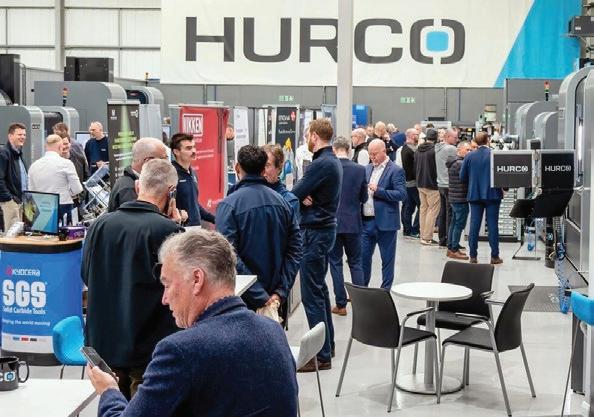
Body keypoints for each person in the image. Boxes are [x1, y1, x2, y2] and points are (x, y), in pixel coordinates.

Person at [87, 229, 298, 417]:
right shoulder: (272, 330)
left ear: (197, 279)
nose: (164, 299)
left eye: (167, 284)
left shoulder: (181, 351)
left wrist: (109, 391)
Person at [82, 159, 183, 399]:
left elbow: (86, 274)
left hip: (104, 344)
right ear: (171, 192)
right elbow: (178, 289)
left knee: (111, 405)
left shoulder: (99, 225)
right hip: (148, 347)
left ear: (138, 186)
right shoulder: (168, 231)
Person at [216, 145, 302, 315]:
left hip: (242, 302)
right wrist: (280, 292)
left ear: (237, 168)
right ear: (263, 170)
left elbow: (227, 255)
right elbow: (295, 250)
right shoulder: (283, 204)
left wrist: (260, 295)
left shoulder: (228, 206)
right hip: (275, 301)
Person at [292, 118, 342, 372]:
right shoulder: (331, 161)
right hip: (323, 231)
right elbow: (301, 194)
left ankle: (320, 356)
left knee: (311, 295)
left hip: (315, 232)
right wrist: (302, 196)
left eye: (307, 135)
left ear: (314, 136)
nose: (306, 140)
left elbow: (294, 194)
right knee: (320, 291)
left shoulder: (320, 164)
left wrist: (300, 196)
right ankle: (327, 346)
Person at [328, 136, 368, 316]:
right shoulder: (360, 169)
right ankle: (362, 304)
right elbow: (364, 198)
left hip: (333, 222)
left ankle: (341, 304)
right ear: (349, 150)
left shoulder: (329, 168)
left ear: (334, 150)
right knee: (356, 262)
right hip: (353, 222)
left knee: (335, 263)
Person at [361, 139, 407, 289]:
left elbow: (401, 194)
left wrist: (379, 191)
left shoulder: (395, 170)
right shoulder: (367, 169)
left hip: (386, 223)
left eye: (375, 154)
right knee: (363, 259)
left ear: (384, 151)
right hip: (366, 222)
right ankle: (362, 289)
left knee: (387, 260)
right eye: (370, 154)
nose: (372, 157)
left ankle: (385, 291)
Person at [460, 132, 504, 265]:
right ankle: (494, 256)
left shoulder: (469, 156)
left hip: (475, 194)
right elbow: (502, 175)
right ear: (488, 140)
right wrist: (505, 188)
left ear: (476, 142)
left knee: (474, 225)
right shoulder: (495, 155)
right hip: (493, 195)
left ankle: (473, 256)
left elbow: (462, 177)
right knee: (493, 225)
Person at [28, 134, 83, 223]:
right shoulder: (66, 164)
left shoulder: (34, 166)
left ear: (46, 147)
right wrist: (67, 192)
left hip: (41, 207)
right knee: (64, 231)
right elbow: (77, 189)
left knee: (44, 231)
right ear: (60, 147)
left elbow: (31, 191)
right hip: (63, 206)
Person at [108, 137, 169, 212]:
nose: (167, 163)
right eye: (163, 159)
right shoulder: (129, 189)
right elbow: (138, 218)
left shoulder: (135, 182)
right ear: (148, 161)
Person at [170, 133, 216, 227]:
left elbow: (194, 204)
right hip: (180, 230)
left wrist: (215, 219)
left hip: (195, 228)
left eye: (194, 147)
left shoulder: (192, 172)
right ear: (176, 151)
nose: (194, 151)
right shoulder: (170, 173)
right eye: (188, 148)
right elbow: (163, 206)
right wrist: (179, 213)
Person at [446, 141, 472, 260]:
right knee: (459, 224)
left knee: (454, 223)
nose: (469, 152)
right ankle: (454, 249)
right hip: (460, 198)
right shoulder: (460, 164)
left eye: (470, 150)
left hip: (454, 197)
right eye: (467, 150)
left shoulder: (453, 162)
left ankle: (451, 247)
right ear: (459, 150)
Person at [415, 128, 440, 245]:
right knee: (432, 210)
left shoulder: (418, 149)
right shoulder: (435, 150)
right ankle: (427, 237)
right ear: (436, 138)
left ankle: (422, 235)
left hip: (420, 183)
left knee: (423, 209)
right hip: (432, 184)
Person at [0, 123, 28, 230]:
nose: (22, 137)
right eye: (19, 134)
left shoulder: (18, 153)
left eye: (24, 135)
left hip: (20, 200)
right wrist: (9, 198)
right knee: (12, 233)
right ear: (10, 136)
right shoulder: (4, 153)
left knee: (18, 233)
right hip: (11, 202)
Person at [435, 128, 458, 247]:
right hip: (449, 184)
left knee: (443, 212)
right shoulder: (451, 149)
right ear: (448, 137)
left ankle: (442, 238)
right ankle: (450, 240)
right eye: (455, 137)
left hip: (440, 184)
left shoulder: (438, 147)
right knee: (450, 214)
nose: (457, 139)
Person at [262, 144, 299, 216]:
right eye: (260, 165)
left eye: (267, 165)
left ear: (279, 167)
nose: (262, 170)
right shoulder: (251, 195)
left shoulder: (289, 201)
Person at [399, 128, 420, 238]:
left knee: (409, 207)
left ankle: (408, 230)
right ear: (411, 135)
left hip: (408, 182)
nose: (418, 136)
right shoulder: (410, 150)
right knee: (421, 207)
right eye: (416, 134)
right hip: (413, 182)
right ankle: (414, 229)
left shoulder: (405, 148)